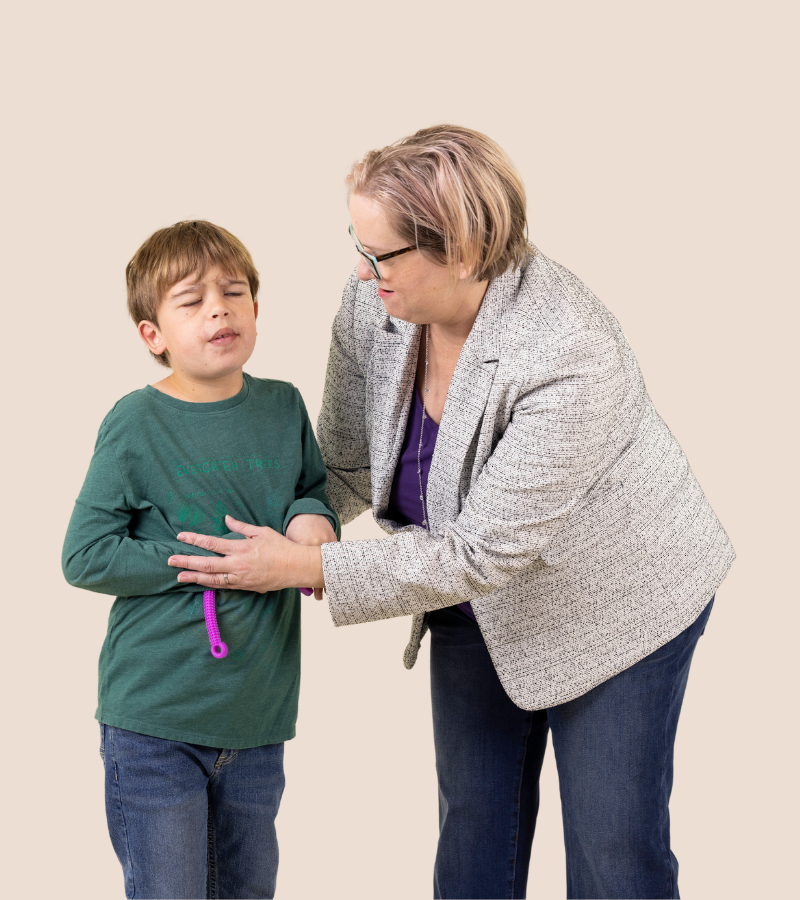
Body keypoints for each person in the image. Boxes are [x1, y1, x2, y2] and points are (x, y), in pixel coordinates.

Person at [170, 127, 736, 900]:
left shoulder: (569, 351)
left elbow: (481, 553)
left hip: (613, 605)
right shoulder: (375, 302)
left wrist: (306, 568)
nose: (362, 272)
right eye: (357, 245)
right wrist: (313, 519)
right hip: (466, 594)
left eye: (383, 255)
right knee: (473, 832)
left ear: (464, 250)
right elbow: (346, 460)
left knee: (614, 854)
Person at [62, 220, 339, 900]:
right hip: (155, 719)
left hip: (258, 717)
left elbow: (309, 489)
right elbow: (86, 555)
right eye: (191, 299)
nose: (219, 307)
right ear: (152, 335)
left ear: (255, 311)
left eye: (234, 292)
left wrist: (313, 523)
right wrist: (202, 563)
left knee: (248, 891)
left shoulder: (283, 406)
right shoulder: (134, 421)